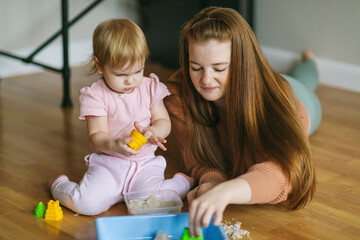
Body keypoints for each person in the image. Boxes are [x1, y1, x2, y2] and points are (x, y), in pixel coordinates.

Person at [164, 6, 321, 237]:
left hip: (297, 97)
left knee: (305, 79)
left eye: (219, 68)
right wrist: (212, 184)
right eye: (196, 67)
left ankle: (310, 62)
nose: (206, 79)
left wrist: (228, 191)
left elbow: (287, 172)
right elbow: (199, 161)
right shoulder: (179, 95)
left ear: (242, 63)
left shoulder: (276, 98)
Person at [48, 18, 194, 216]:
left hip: (144, 165)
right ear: (100, 66)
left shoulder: (149, 87)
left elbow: (163, 122)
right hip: (109, 166)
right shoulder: (96, 95)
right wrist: (115, 145)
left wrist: (153, 131)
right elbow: (97, 135)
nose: (132, 80)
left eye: (138, 70)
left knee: (153, 203)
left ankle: (183, 182)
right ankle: (58, 185)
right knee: (86, 204)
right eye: (121, 74)